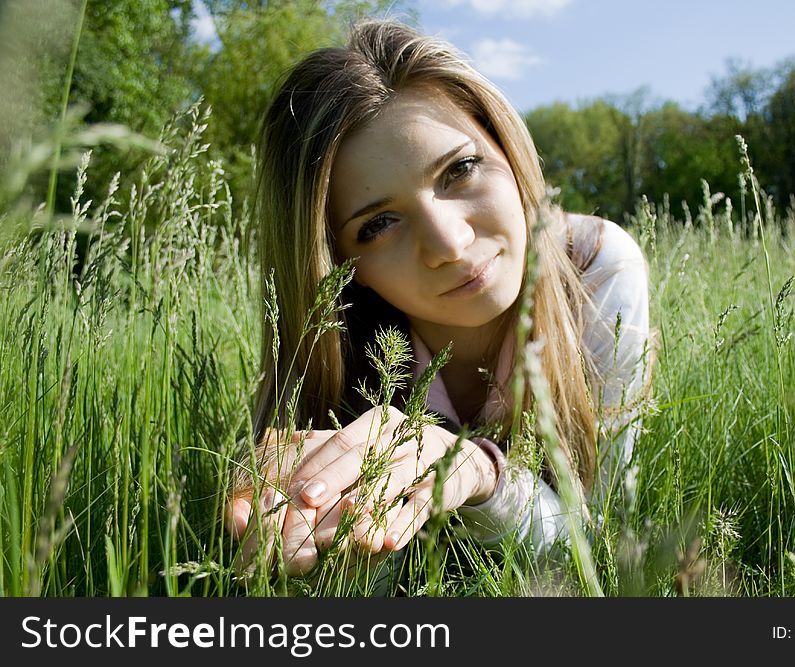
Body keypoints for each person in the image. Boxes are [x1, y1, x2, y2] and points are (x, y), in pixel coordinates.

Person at [225, 19, 652, 584]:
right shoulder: (338, 347)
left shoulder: (595, 268)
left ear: (508, 146)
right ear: (341, 268)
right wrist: (304, 528)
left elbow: (601, 546)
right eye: (378, 224)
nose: (450, 244)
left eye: (460, 170)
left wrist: (479, 473)